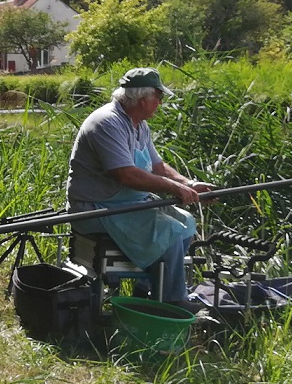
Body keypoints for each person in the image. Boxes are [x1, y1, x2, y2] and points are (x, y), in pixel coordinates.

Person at [65, 67, 214, 304]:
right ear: (142, 98)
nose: (160, 103)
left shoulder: (139, 124)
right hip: (96, 208)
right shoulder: (107, 123)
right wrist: (175, 189)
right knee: (169, 232)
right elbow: (127, 175)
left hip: (129, 205)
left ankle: (146, 288)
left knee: (186, 223)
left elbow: (157, 167)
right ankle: (173, 302)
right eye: (158, 97)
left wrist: (189, 184)